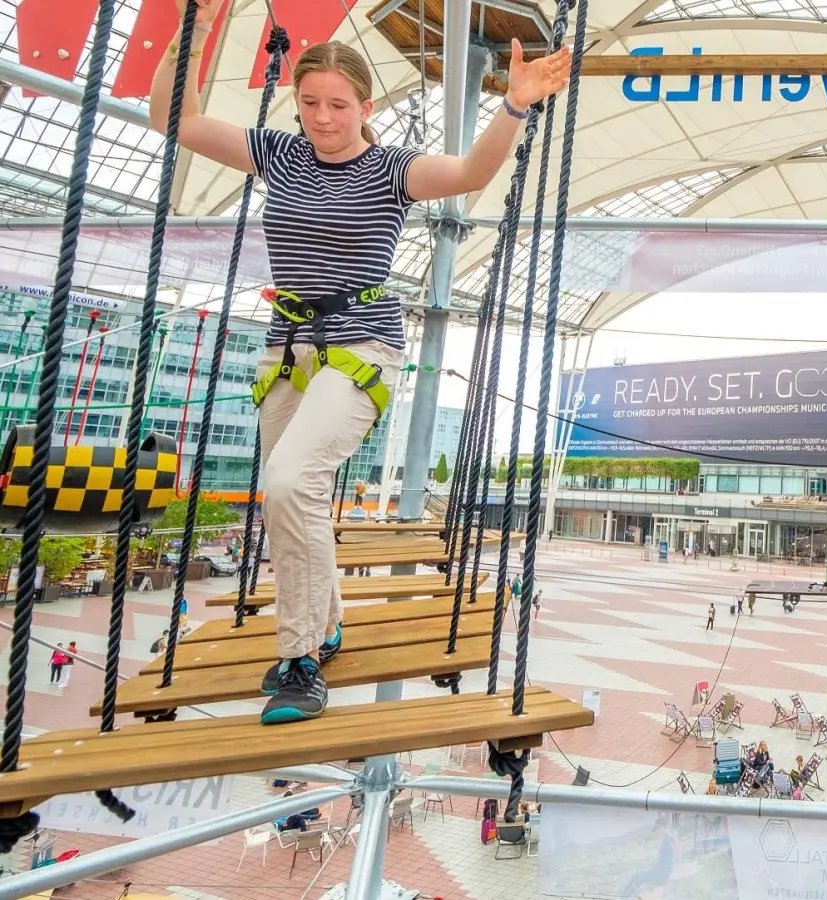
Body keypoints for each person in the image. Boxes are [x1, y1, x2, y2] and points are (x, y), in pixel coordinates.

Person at [151, 0, 572, 725]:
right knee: (293, 499)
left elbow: (470, 172)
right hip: (288, 347)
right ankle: (327, 623)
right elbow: (175, 121)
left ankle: (299, 659)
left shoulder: (390, 169)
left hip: (362, 345)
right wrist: (191, 32)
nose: (321, 117)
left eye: (337, 105)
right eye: (310, 102)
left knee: (291, 481)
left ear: (365, 107)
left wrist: (513, 105)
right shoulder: (279, 154)